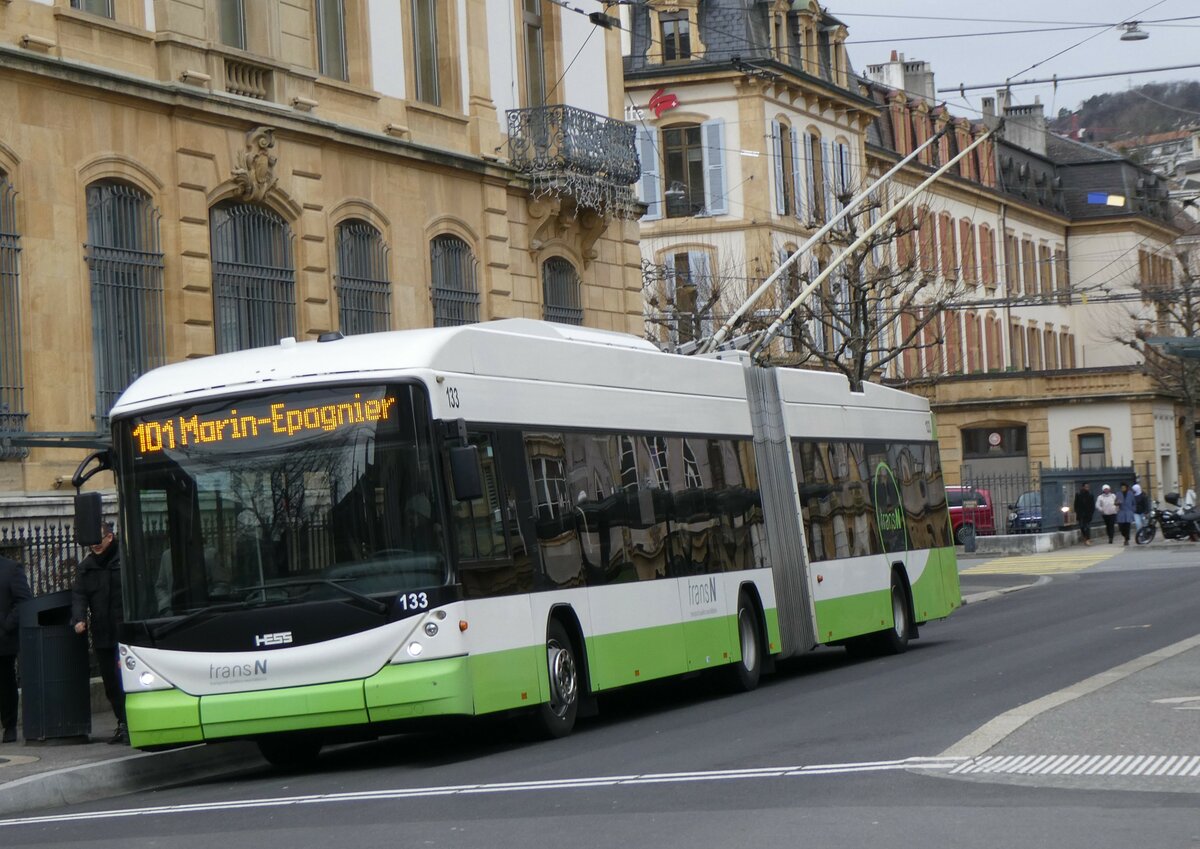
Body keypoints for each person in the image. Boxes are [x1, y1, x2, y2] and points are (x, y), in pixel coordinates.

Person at [70, 522, 127, 744]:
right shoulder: (87, 567)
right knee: (111, 683)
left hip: (125, 632)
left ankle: (130, 723)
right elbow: (79, 596)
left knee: (127, 680)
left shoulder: (125, 560)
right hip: (103, 632)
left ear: (110, 537)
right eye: (92, 541)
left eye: (99, 539)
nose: (94, 545)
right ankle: (122, 723)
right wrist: (79, 619)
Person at [0, 554, 33, 743]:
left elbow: (24, 601)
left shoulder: (11, 569)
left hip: (3, 639)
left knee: (4, 683)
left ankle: (9, 725)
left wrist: (7, 624)